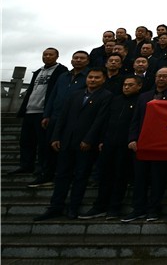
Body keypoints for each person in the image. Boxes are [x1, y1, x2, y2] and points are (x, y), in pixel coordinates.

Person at [33, 67, 113, 221]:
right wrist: (56, 136)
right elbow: (62, 117)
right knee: (61, 175)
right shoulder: (75, 95)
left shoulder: (106, 96)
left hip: (86, 144)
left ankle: (73, 207)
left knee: (81, 176)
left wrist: (89, 139)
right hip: (66, 141)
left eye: (97, 77)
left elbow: (100, 120)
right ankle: (55, 206)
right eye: (90, 77)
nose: (93, 80)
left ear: (103, 80)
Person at [123, 67, 167, 222]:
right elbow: (135, 120)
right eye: (159, 76)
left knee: (158, 179)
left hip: (162, 145)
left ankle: (153, 209)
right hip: (142, 143)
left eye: (165, 76)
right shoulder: (144, 97)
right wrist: (132, 138)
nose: (161, 79)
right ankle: (138, 209)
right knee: (140, 178)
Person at [80, 75, 143, 219]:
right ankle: (99, 206)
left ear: (139, 86)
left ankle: (114, 207)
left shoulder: (141, 101)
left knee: (120, 177)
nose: (126, 87)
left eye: (130, 85)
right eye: (125, 84)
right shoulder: (115, 100)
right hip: (108, 143)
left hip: (126, 145)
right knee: (105, 176)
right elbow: (105, 120)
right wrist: (102, 139)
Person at [13, 48, 68, 176]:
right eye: (45, 54)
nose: (47, 56)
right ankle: (26, 165)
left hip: (44, 112)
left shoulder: (61, 71)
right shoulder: (38, 71)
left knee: (43, 142)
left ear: (57, 56)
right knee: (26, 141)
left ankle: (43, 167)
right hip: (30, 110)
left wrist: (49, 112)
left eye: (50, 54)